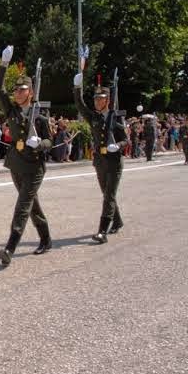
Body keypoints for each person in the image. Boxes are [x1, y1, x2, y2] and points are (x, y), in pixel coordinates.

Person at [0, 46, 53, 266]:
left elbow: (50, 142)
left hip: (35, 167)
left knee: (22, 206)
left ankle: (10, 247)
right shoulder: (12, 111)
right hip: (17, 165)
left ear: (31, 92)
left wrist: (39, 144)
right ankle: (46, 238)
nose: (18, 93)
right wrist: (3, 65)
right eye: (16, 90)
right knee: (31, 204)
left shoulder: (41, 116)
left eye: (22, 90)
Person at [73, 70, 128, 244]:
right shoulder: (93, 118)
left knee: (109, 195)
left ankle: (102, 232)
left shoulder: (115, 118)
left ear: (107, 100)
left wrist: (117, 145)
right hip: (100, 162)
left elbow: (126, 140)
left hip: (114, 162)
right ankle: (117, 221)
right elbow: (80, 105)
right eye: (96, 99)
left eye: (100, 98)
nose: (97, 101)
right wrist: (76, 88)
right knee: (106, 194)